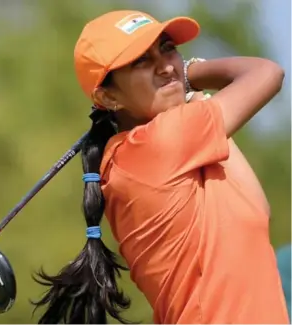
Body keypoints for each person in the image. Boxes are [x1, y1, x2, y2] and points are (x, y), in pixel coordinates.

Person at [32, 9, 289, 324]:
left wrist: (191, 96)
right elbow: (266, 73)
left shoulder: (174, 145)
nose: (165, 66)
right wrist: (188, 72)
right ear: (108, 96)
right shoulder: (154, 145)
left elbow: (257, 214)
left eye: (168, 49)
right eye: (141, 61)